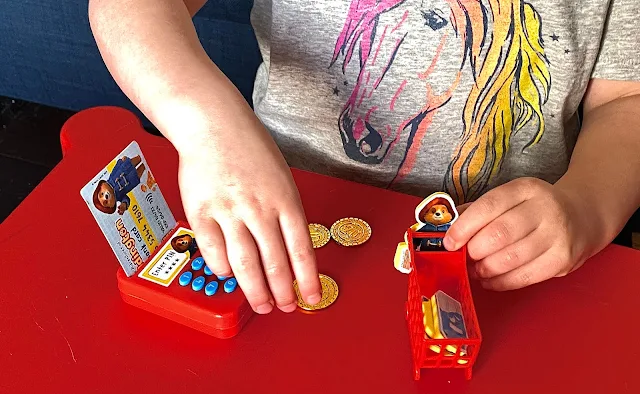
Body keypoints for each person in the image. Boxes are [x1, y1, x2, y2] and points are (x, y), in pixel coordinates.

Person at [88, 0, 640, 314]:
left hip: (507, 266)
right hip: (283, 229)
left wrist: (585, 205)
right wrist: (207, 128)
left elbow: (627, 101)